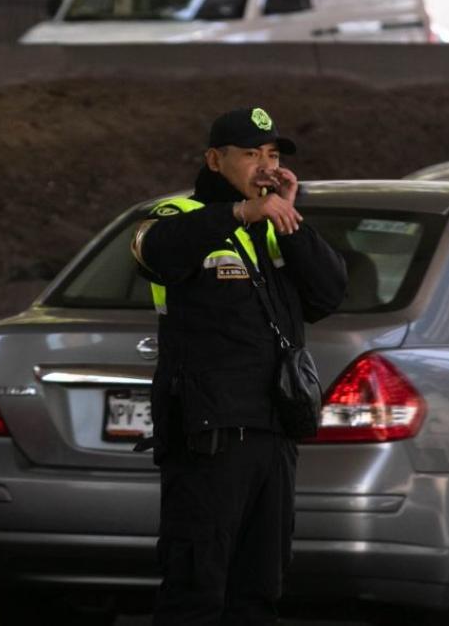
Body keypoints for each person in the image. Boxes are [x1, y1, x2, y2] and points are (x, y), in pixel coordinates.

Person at [131, 106, 347, 624]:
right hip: (210, 435)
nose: (265, 167)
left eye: (271, 155)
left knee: (260, 590)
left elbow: (329, 294)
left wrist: (292, 222)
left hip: (273, 431)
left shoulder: (275, 226)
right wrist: (238, 214)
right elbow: (156, 253)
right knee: (196, 589)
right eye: (251, 154)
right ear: (215, 159)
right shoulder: (177, 216)